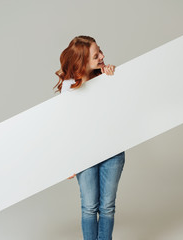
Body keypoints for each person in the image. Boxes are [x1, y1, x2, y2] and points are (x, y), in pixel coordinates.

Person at [53, 36, 125, 240]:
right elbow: (67, 128)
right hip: (84, 154)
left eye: (100, 51)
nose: (102, 56)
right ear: (82, 61)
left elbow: (124, 107)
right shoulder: (69, 88)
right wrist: (69, 161)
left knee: (107, 207)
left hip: (112, 152)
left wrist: (113, 76)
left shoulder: (107, 77)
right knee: (89, 207)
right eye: (96, 55)